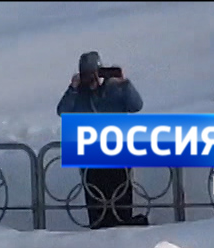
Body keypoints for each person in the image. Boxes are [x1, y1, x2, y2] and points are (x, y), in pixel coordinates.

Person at [57, 51, 148, 229]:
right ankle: (99, 235)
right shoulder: (78, 95)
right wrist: (73, 88)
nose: (91, 80)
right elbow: (62, 111)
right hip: (91, 156)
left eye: (93, 74)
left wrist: (124, 83)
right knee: (97, 204)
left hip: (118, 154)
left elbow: (136, 105)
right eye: (86, 75)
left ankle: (124, 230)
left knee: (120, 200)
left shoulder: (114, 89)